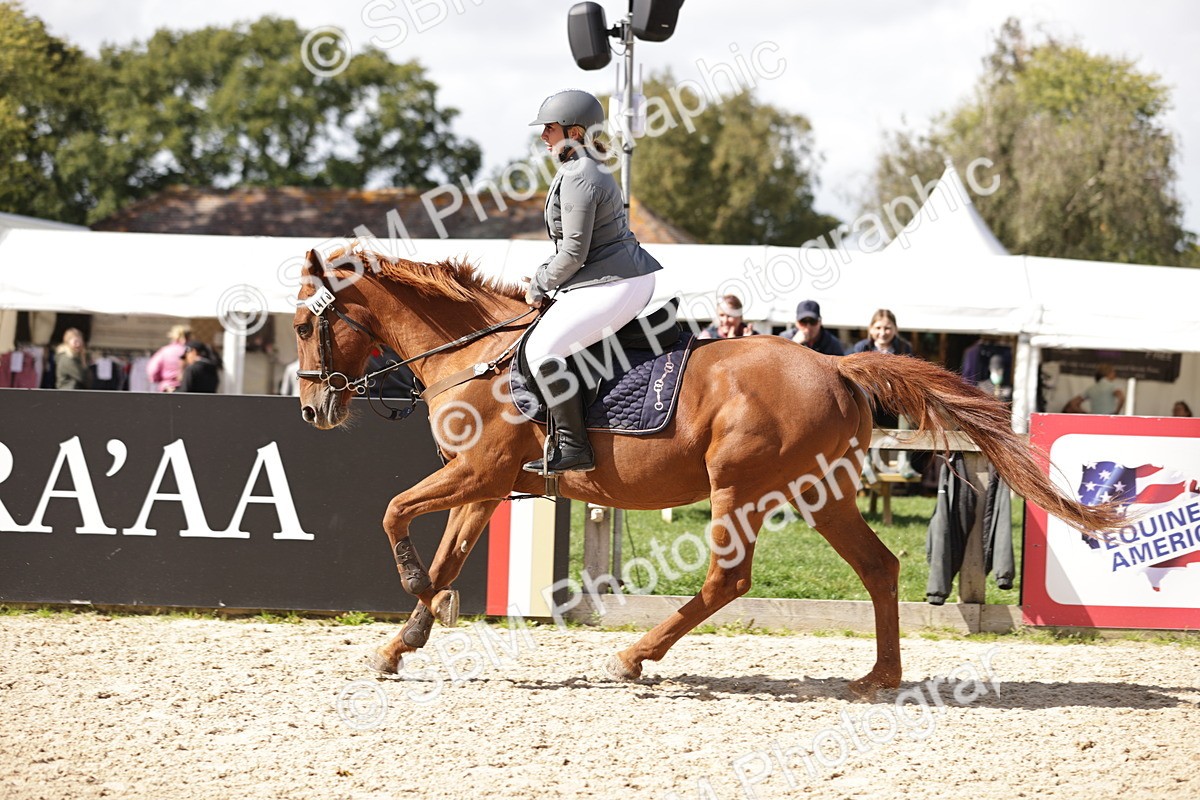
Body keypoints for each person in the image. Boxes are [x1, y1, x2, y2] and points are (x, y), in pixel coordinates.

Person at [521, 89, 662, 474]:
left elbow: (573, 253)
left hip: (616, 283)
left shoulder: (581, 173)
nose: (543, 136)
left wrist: (538, 284)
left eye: (549, 128)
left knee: (541, 351)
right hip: (606, 280)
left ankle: (573, 446)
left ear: (575, 132)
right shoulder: (580, 168)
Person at [780, 299, 844, 355]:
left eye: (813, 321)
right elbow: (777, 363)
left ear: (820, 322)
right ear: (796, 322)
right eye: (803, 321)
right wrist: (794, 344)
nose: (808, 326)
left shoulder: (832, 343)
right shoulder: (785, 338)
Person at [147, 324, 191, 392]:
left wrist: (157, 379)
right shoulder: (190, 351)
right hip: (186, 387)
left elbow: (152, 370)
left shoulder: (165, 351)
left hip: (167, 387)